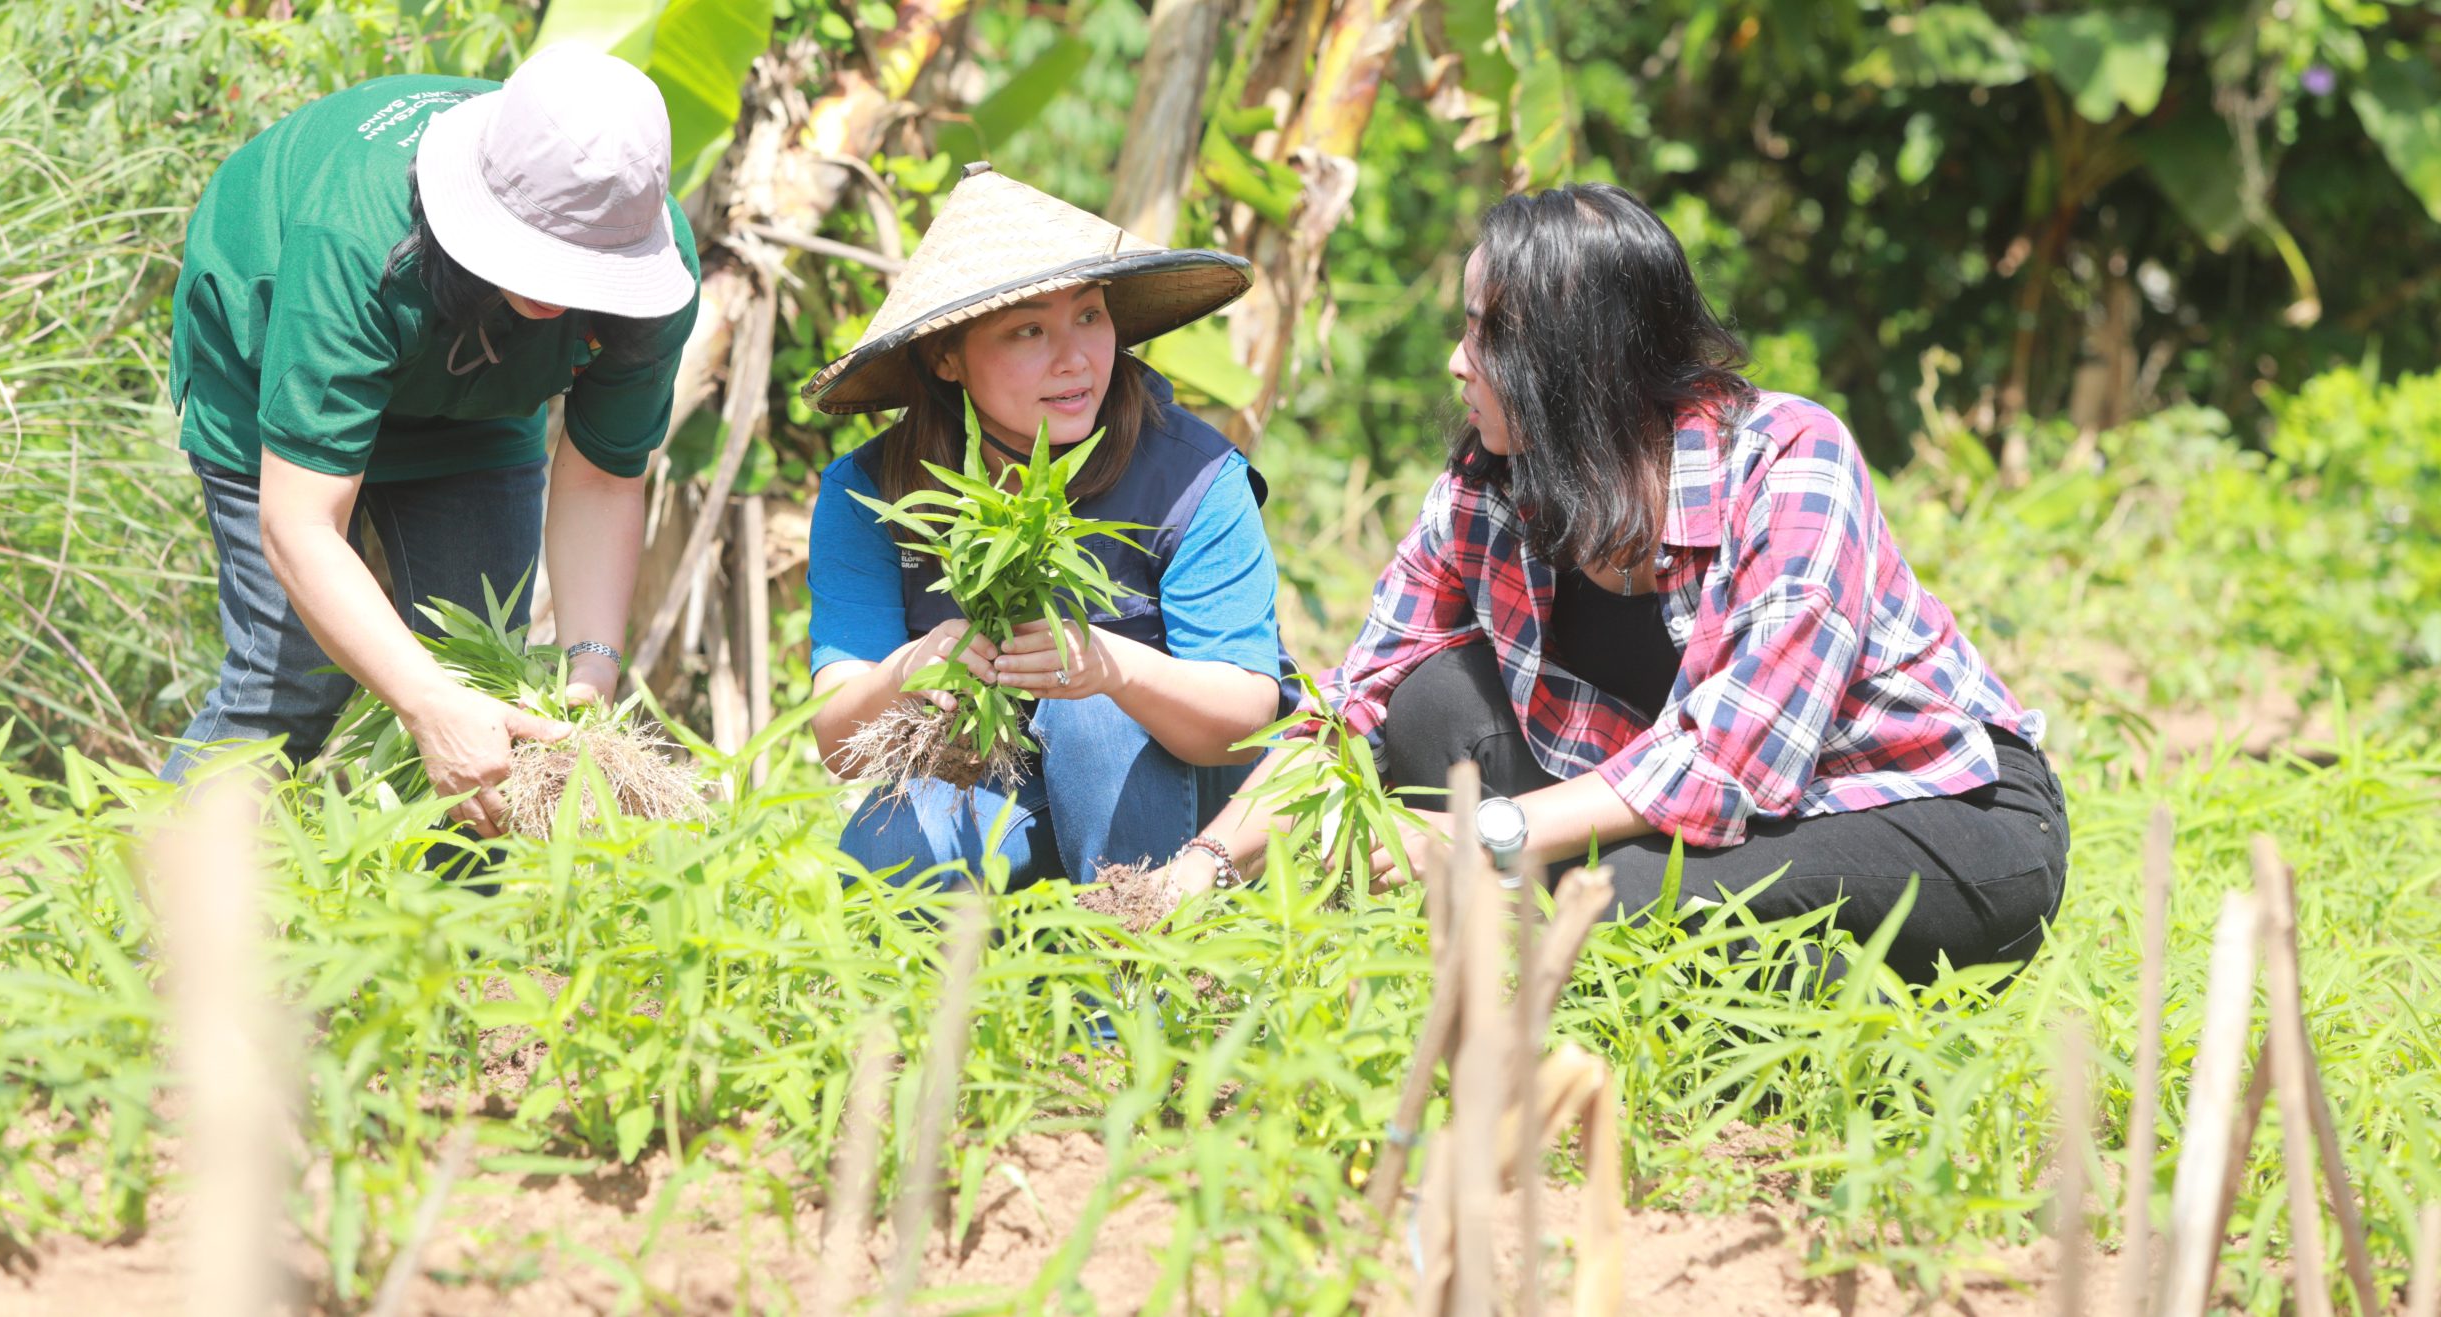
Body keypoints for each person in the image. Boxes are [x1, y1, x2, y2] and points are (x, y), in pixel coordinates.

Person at [1159, 183, 2067, 984]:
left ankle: (1867, 1021)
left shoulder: (1790, 462)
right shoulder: (1486, 491)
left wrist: (1481, 832)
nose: (1455, 362)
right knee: (1429, 702)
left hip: (1927, 806)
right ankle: (1686, 974)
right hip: (1679, 809)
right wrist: (1204, 862)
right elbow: (1353, 704)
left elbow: (1726, 769)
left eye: (1486, 334)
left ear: (1575, 360)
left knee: (1620, 898)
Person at [160, 45, 700, 849]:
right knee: (293, 680)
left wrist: (591, 664)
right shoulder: (353, 234)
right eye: (541, 260)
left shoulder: (652, 265)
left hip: (473, 403)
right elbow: (299, 523)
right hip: (272, 345)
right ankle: (148, 930)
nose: (556, 295)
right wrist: (422, 704)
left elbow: (603, 481)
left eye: (586, 273)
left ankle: (443, 957)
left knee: (483, 679)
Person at [804, 164, 1286, 889]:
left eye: (1089, 315)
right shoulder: (875, 493)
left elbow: (1247, 715)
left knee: (1091, 715)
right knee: (889, 845)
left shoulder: (1193, 478)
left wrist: (1111, 667)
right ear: (945, 356)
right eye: (1029, 329)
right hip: (1003, 786)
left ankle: (1133, 976)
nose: (1076, 358)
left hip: (1194, 803)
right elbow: (840, 741)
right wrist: (908, 670)